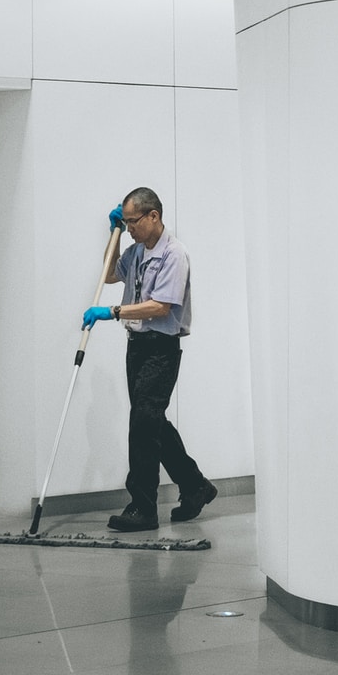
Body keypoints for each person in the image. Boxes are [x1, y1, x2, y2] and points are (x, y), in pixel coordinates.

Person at [82, 187, 217, 531]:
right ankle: (195, 485)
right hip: (137, 345)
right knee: (152, 422)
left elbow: (161, 306)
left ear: (153, 216)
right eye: (124, 223)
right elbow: (110, 274)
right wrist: (111, 236)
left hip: (161, 347)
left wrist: (112, 311)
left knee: (143, 424)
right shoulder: (136, 250)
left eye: (132, 222)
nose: (129, 229)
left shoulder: (174, 254)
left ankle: (143, 507)